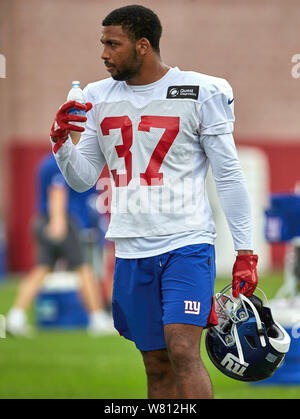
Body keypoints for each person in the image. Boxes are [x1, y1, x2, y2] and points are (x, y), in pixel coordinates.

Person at [49, 5, 259, 399]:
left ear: (142, 45)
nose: (103, 53)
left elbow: (229, 174)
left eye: (113, 44)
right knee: (156, 363)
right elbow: (81, 179)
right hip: (130, 247)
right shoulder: (97, 96)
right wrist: (60, 142)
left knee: (182, 348)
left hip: (186, 242)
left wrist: (245, 251)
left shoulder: (200, 90)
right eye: (102, 43)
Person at [6, 132, 114, 337]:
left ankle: (16, 316)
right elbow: (57, 191)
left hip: (45, 219)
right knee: (84, 268)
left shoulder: (46, 160)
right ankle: (97, 318)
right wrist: (58, 222)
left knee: (42, 269)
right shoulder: (60, 160)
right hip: (63, 220)